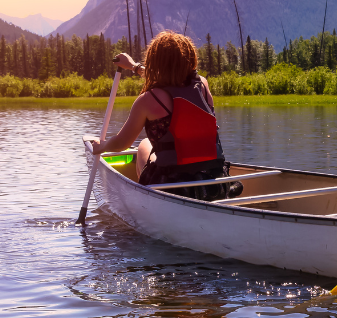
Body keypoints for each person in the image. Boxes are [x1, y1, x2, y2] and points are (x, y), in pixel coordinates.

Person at [90, 31, 239, 201]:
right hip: (214, 183)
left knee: (144, 144)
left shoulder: (147, 100)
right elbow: (174, 82)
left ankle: (146, 203)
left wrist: (101, 146)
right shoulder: (203, 86)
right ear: (190, 59)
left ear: (155, 62)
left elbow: (122, 143)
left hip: (172, 188)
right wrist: (134, 67)